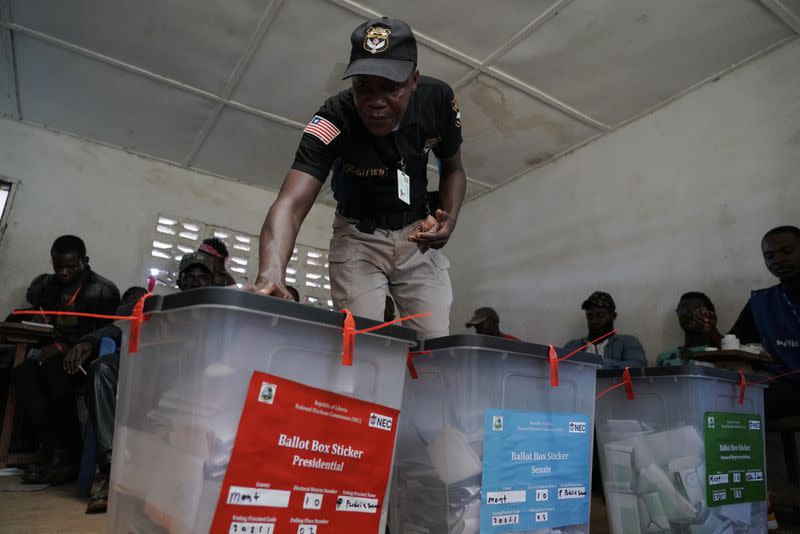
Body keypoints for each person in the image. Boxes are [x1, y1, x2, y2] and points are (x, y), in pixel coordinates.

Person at [252, 17, 466, 340]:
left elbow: (454, 169)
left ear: (414, 80)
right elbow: (290, 204)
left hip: (417, 239)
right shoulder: (333, 117)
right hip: (359, 239)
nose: (375, 101)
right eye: (363, 85)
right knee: (363, 344)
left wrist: (448, 220)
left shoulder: (439, 103)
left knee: (434, 346)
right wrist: (271, 274)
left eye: (391, 87)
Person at [14, 235, 120, 484]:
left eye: (70, 267)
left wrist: (64, 345)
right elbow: (45, 316)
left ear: (84, 261)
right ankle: (50, 447)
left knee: (55, 372)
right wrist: (41, 322)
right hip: (53, 350)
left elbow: (106, 333)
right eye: (57, 266)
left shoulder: (104, 290)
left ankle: (68, 455)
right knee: (22, 373)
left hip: (86, 355)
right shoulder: (50, 285)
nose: (63, 272)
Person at [63, 286, 148, 513]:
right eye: (188, 276)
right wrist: (87, 342)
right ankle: (112, 472)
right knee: (100, 368)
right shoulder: (155, 308)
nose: (193, 281)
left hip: (177, 374)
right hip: (140, 368)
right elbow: (113, 329)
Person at [729, 225, 800, 417]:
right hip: (785, 388)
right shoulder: (762, 302)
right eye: (769, 256)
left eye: (787, 251)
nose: (777, 260)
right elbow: (732, 343)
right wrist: (708, 330)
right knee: (732, 395)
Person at [563, 291, 646, 369]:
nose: (594, 321)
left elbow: (638, 366)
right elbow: (560, 371)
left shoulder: (627, 342)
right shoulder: (573, 346)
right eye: (589, 316)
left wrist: (600, 362)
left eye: (600, 315)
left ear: (613, 316)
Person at [657, 292, 722, 366]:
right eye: (683, 310)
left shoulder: (720, 351)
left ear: (710, 313)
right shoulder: (664, 358)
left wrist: (713, 331)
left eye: (696, 309)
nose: (687, 314)